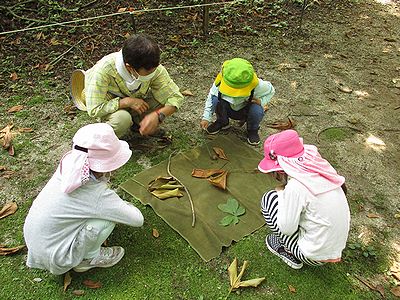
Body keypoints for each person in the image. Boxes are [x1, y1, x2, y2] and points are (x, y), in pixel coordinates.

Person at [23, 123, 144, 275]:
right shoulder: (96, 194)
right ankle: (88, 259)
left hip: (38, 242)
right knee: (106, 220)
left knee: (95, 212)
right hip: (57, 257)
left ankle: (80, 249)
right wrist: (118, 206)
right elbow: (137, 219)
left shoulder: (69, 167)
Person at [257, 129, 350, 269]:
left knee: (269, 200)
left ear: (280, 170)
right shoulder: (319, 168)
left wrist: (282, 195)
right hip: (335, 246)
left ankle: (290, 252)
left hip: (312, 255)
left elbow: (287, 229)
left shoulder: (295, 187)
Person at [73, 34, 184, 138]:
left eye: (154, 70)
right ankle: (106, 141)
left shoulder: (154, 68)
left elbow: (175, 97)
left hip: (136, 102)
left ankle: (138, 124)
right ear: (130, 67)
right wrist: (126, 102)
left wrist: (158, 115)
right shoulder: (104, 70)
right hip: (112, 107)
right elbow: (94, 109)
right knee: (122, 119)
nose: (153, 73)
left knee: (161, 99)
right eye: (148, 72)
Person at [200, 58, 275, 145]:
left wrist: (261, 101)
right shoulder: (220, 81)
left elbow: (271, 90)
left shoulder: (258, 85)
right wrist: (206, 117)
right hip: (227, 108)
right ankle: (222, 122)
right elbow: (212, 96)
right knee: (216, 100)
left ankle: (252, 130)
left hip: (245, 110)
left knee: (257, 110)